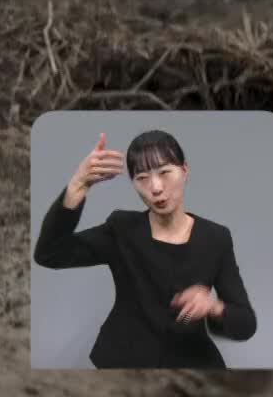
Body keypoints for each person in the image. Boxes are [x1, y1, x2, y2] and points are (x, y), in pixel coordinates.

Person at [33, 129, 257, 368]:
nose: (156, 187)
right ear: (133, 183)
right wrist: (77, 185)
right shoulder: (122, 229)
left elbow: (245, 323)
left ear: (185, 170)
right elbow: (50, 253)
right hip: (123, 363)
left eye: (164, 173)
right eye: (142, 178)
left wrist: (214, 307)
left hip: (191, 366)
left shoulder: (216, 238)